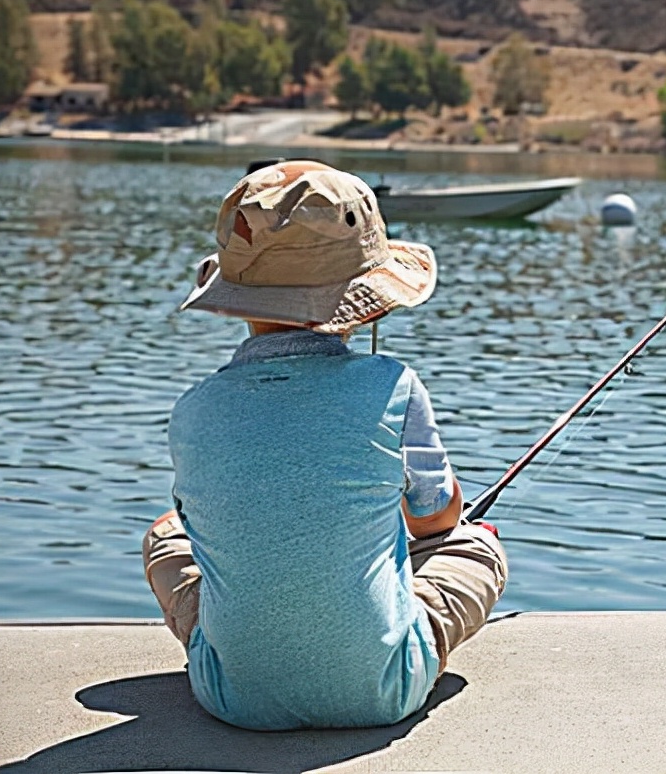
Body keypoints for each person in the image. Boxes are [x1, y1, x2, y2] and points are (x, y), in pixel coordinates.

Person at [142, 159, 507, 730]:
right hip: (385, 693)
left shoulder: (193, 408)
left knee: (166, 536)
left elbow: (206, 525)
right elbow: (436, 524)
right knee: (479, 548)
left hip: (230, 700)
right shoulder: (394, 384)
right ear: (367, 300)